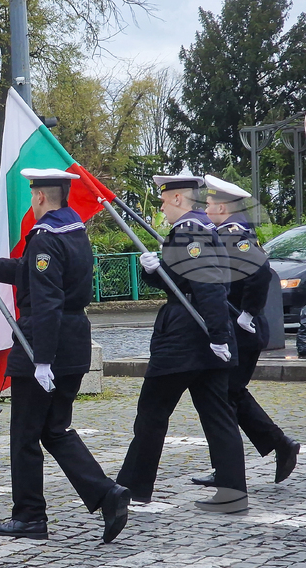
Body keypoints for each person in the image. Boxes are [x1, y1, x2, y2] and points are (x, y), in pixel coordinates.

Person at [0, 169, 129, 542]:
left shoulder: (43, 237)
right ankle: (107, 494)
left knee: (25, 436)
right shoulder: (74, 230)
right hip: (72, 342)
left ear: (40, 197)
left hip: (44, 344)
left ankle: (29, 517)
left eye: (31, 195)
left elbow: (47, 299)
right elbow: (35, 275)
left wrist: (41, 359)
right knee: (54, 430)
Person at [116, 175, 248, 513]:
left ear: (177, 199)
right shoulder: (202, 229)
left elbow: (208, 286)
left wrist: (218, 335)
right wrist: (152, 270)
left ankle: (133, 487)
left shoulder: (190, 231)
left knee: (152, 414)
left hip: (185, 340)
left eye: (164, 201)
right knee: (218, 417)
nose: (161, 207)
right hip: (202, 338)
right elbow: (179, 281)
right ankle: (232, 494)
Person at [196, 174, 300, 485]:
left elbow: (259, 272)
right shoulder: (227, 232)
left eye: (210, 204)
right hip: (237, 328)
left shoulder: (235, 234)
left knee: (224, 395)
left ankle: (273, 448)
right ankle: (276, 447)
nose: (206, 209)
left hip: (242, 330)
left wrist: (247, 313)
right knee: (230, 395)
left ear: (224, 208)